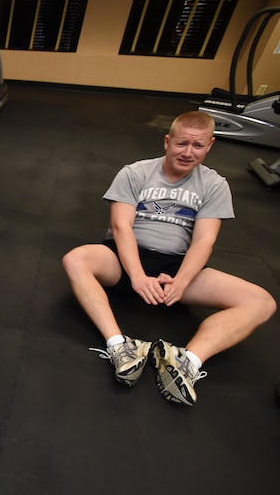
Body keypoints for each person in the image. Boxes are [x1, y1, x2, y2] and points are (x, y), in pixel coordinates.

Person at [62, 111, 275, 406]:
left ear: (209, 146)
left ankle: (186, 361)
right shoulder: (135, 173)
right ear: (167, 141)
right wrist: (136, 275)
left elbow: (204, 240)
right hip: (124, 258)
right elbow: (122, 227)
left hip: (176, 266)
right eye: (181, 144)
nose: (188, 153)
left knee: (262, 302)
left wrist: (181, 280)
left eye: (198, 146)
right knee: (76, 260)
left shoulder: (214, 185)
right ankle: (120, 347)